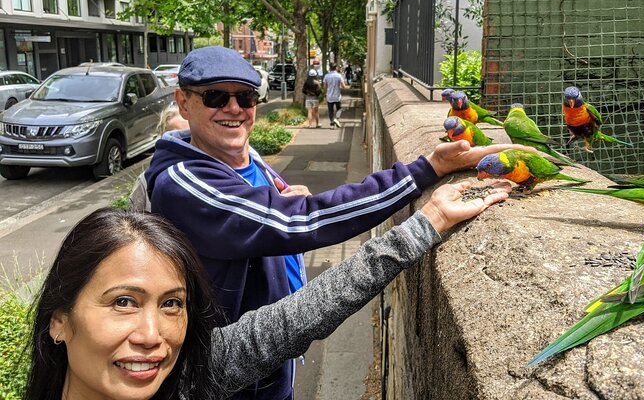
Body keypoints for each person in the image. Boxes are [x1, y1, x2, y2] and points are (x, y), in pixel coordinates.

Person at [144, 46, 533, 400]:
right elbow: (302, 220)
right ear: (183, 101)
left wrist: (279, 199)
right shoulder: (185, 182)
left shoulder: (235, 154)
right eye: (215, 96)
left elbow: (272, 208)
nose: (233, 108)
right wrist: (424, 173)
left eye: (245, 97)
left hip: (269, 365)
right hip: (234, 379)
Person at [26, 180, 511, 400]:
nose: (152, 335)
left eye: (172, 303)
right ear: (59, 320)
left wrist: (431, 220)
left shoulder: (193, 375)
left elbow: (305, 312)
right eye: (124, 302)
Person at [129, 103, 189, 213]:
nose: (184, 141)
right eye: (177, 136)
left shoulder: (216, 171)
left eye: (188, 133)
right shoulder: (146, 180)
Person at [323, 63, 347, 129]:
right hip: (337, 96)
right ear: (336, 68)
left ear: (330, 68)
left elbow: (325, 87)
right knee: (339, 109)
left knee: (330, 110)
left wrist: (325, 94)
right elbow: (343, 86)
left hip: (329, 96)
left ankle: (332, 124)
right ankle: (336, 119)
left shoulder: (326, 76)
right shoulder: (339, 76)